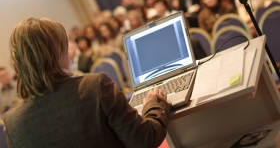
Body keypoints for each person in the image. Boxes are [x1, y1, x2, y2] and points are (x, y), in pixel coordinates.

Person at [3, 18, 170, 147]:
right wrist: (153, 105)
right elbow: (145, 140)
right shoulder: (95, 86)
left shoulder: (12, 123)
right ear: (58, 52)